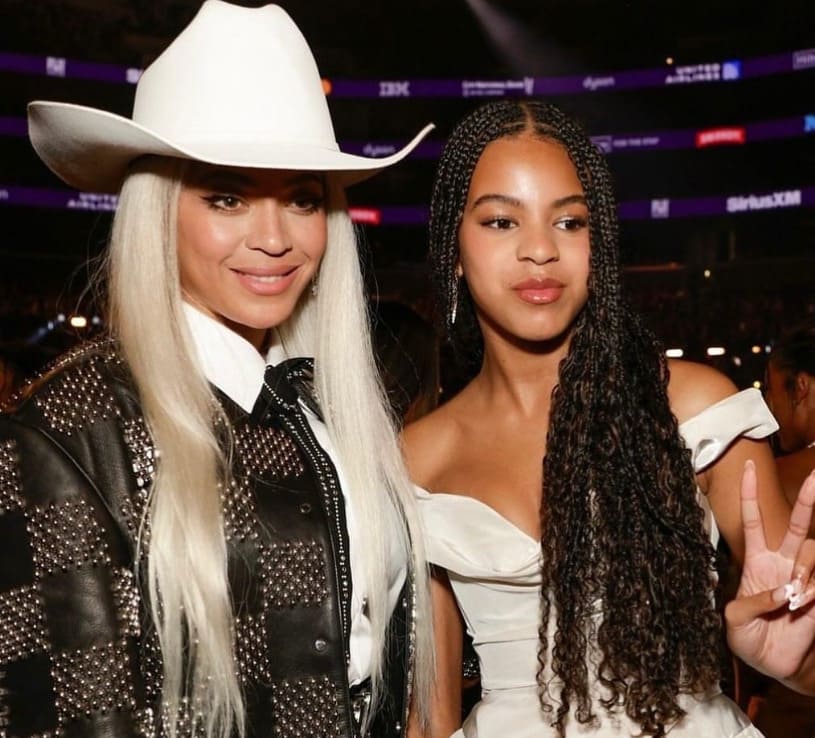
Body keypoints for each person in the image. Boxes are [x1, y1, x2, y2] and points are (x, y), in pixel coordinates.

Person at [0, 3, 435, 738]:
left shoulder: (331, 404)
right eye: (227, 197)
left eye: (301, 198)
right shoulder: (65, 432)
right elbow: (71, 713)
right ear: (158, 213)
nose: (274, 237)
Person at [402, 99, 815, 738]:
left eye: (569, 221)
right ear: (452, 247)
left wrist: (796, 664)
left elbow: (801, 645)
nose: (541, 250)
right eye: (501, 221)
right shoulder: (412, 459)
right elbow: (429, 716)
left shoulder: (695, 409)